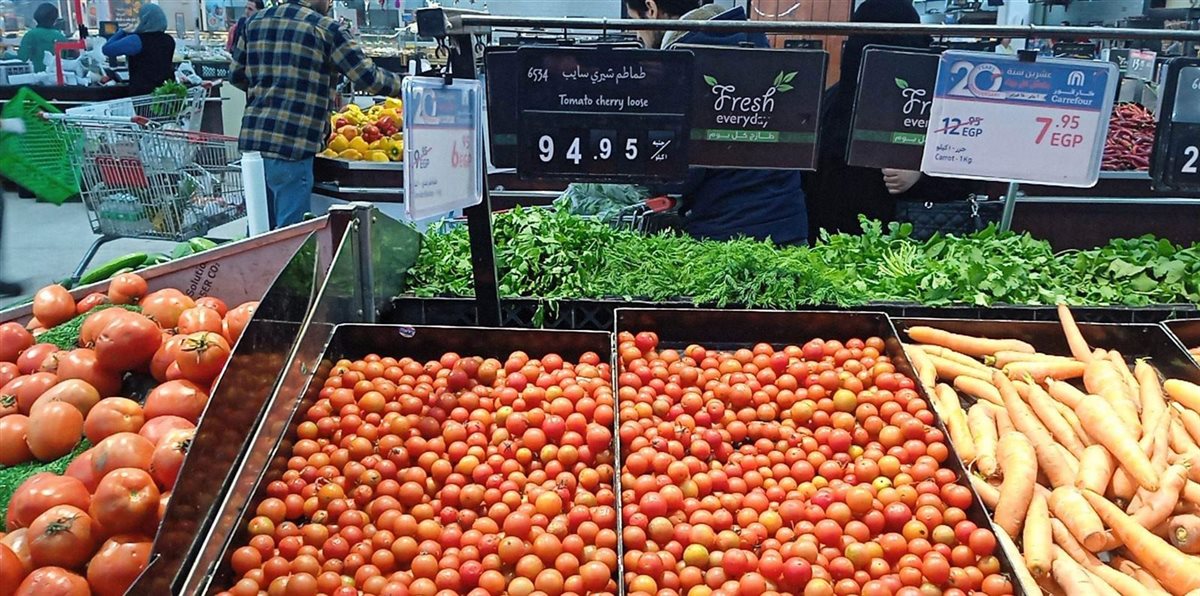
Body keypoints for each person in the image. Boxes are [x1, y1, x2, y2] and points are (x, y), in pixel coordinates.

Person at [624, 0, 808, 245]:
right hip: (788, 230)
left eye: (634, 22)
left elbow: (679, 176)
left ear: (651, 9)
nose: (635, 33)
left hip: (727, 238)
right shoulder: (758, 54)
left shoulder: (687, 71)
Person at [806, 0, 978, 239]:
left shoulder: (832, 100)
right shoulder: (932, 102)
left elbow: (965, 172)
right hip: (896, 243)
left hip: (847, 239)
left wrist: (921, 176)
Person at [232, 0, 403, 228]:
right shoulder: (326, 29)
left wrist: (268, 91)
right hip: (292, 145)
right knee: (291, 235)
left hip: (254, 145)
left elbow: (236, 75)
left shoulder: (254, 22)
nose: (330, 3)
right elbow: (368, 78)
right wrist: (407, 85)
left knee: (258, 230)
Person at [102, 4, 177, 95]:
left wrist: (123, 31)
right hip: (166, 91)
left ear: (144, 19)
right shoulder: (169, 40)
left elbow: (107, 49)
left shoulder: (137, 40)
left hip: (143, 92)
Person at [17, 3, 65, 73]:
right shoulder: (61, 37)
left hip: (36, 76)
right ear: (55, 19)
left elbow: (22, 58)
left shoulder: (30, 35)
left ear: (36, 17)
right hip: (58, 76)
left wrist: (7, 55)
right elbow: (65, 59)